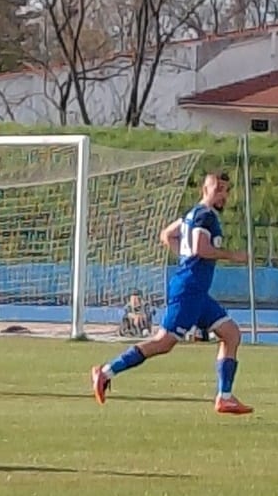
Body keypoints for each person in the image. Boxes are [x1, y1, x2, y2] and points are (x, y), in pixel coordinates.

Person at [91, 170, 251, 414]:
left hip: (195, 290)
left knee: (231, 334)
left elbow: (167, 235)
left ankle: (225, 397)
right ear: (206, 190)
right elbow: (200, 248)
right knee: (163, 343)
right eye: (219, 190)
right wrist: (233, 256)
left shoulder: (190, 214)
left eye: (226, 191)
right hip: (188, 290)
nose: (223, 196)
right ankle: (105, 371)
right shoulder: (205, 216)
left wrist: (186, 259)